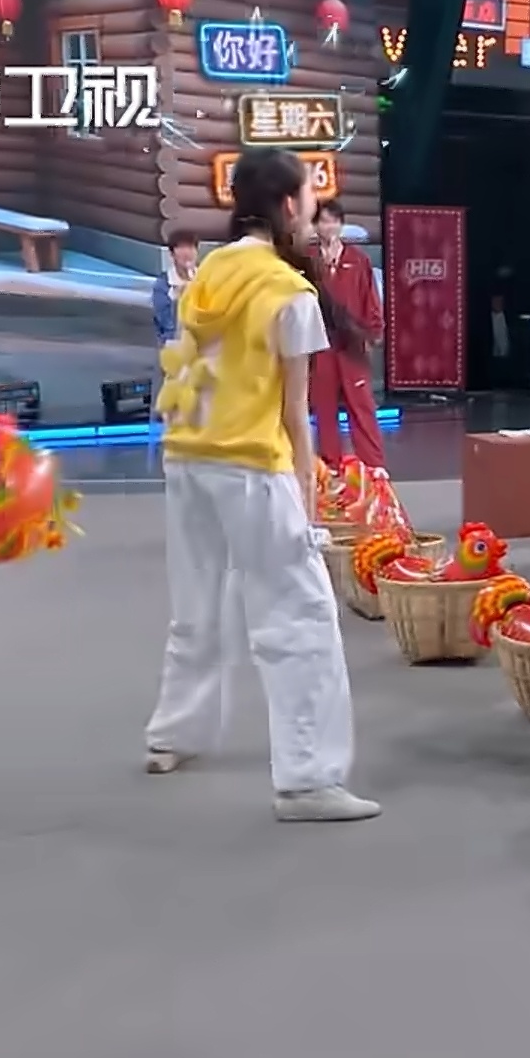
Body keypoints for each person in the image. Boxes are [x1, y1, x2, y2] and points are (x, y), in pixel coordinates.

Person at [142, 146, 380, 823]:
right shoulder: (289, 292)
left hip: (186, 455)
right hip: (251, 463)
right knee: (300, 618)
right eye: (308, 199)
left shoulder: (209, 272)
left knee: (195, 605)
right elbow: (295, 416)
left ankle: (172, 736)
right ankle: (307, 781)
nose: (314, 212)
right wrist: (308, 506)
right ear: (285, 205)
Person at [309, 198, 388, 470]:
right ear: (315, 225)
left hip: (353, 345)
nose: (328, 226)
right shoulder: (308, 260)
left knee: (362, 407)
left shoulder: (358, 260)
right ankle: (331, 468)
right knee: (325, 410)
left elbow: (370, 299)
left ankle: (373, 467)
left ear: (341, 225)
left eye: (333, 221)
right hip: (321, 345)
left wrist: (374, 332)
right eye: (323, 221)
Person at [152, 228, 198, 349]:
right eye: (181, 248)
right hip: (175, 344)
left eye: (191, 247)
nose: (187, 252)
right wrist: (179, 297)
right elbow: (166, 324)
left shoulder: (205, 277)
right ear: (172, 254)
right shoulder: (163, 285)